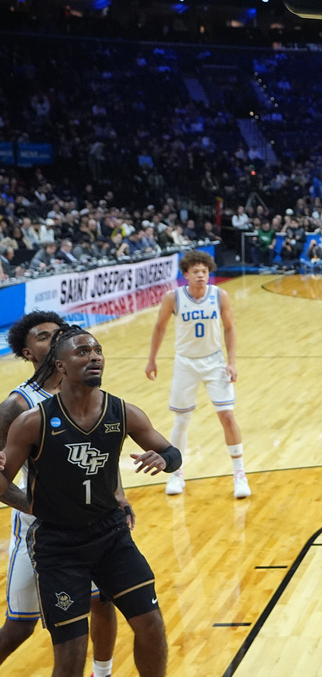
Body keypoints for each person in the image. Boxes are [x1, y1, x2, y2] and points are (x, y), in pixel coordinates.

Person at [0, 326, 180, 677]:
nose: (94, 356)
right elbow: (3, 482)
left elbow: (171, 452)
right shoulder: (31, 421)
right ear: (61, 366)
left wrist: (165, 460)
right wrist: (33, 505)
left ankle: (106, 670)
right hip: (58, 544)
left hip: (110, 536)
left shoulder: (123, 412)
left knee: (152, 626)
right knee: (69, 655)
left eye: (97, 350)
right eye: (82, 352)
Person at [0, 313, 122, 677]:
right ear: (28, 352)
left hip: (92, 523)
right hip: (38, 528)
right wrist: (36, 506)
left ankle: (103, 673)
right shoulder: (19, 404)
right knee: (21, 623)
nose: (54, 339)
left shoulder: (88, 390)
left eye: (58, 334)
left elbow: (103, 454)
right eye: (43, 337)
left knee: (103, 600)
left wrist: (118, 495)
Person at [145, 250, 250, 498]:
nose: (201, 275)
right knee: (182, 419)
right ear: (186, 274)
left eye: (204, 271)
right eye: (196, 272)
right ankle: (176, 473)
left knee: (226, 415)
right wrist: (151, 359)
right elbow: (160, 327)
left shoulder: (219, 295)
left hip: (215, 361)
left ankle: (239, 474)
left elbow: (230, 328)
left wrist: (232, 362)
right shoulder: (173, 298)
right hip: (185, 363)